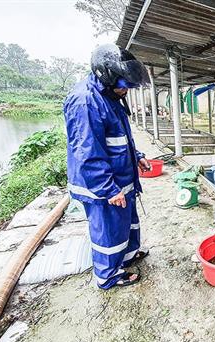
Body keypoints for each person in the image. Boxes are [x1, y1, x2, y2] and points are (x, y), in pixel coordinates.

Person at [64, 44, 151, 289]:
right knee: (109, 229)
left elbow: (119, 137)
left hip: (121, 176)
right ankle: (108, 275)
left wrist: (138, 155)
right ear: (107, 76)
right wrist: (108, 189)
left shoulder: (110, 96)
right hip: (102, 184)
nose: (126, 91)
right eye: (124, 85)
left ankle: (127, 256)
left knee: (127, 222)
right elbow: (87, 153)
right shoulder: (86, 102)